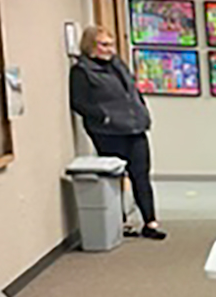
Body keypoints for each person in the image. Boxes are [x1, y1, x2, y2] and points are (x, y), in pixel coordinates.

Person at [68, 25, 165, 239]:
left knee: (141, 175)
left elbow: (132, 91)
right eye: (103, 44)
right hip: (108, 131)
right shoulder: (82, 71)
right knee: (114, 177)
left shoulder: (117, 65)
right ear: (90, 45)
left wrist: (142, 111)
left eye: (111, 44)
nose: (109, 49)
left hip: (134, 127)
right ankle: (118, 223)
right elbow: (79, 102)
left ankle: (150, 222)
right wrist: (103, 117)